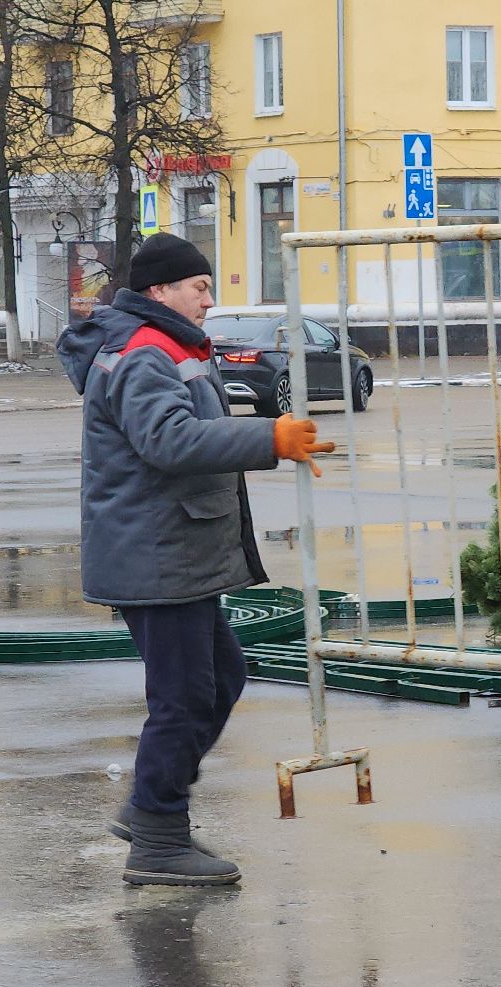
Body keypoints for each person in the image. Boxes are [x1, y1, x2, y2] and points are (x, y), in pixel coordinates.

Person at [59, 232, 333, 887]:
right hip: (156, 556)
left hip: (172, 551)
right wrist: (268, 437)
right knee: (183, 698)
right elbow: (169, 440)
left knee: (221, 678)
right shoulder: (145, 352)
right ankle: (158, 837)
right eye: (199, 287)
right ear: (160, 291)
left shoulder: (169, 345)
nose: (210, 299)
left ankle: (150, 803)